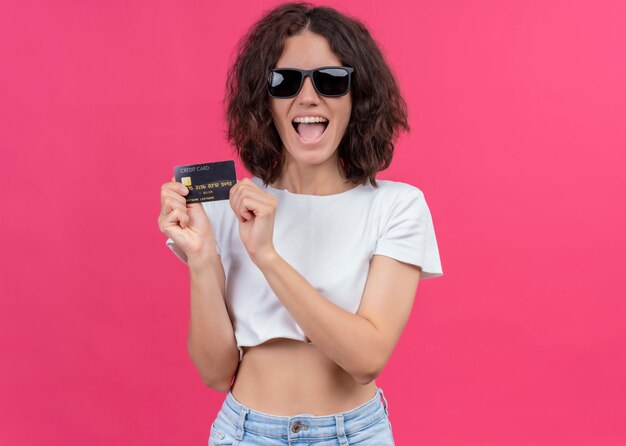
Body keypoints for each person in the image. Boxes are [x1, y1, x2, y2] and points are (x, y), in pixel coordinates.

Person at [158, 2, 443, 444]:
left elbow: (367, 357)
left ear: (357, 95)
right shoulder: (227, 207)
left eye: (331, 81)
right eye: (284, 81)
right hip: (244, 433)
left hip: (355, 434)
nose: (307, 97)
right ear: (263, 99)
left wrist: (266, 256)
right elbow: (216, 374)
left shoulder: (397, 206)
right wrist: (200, 259)